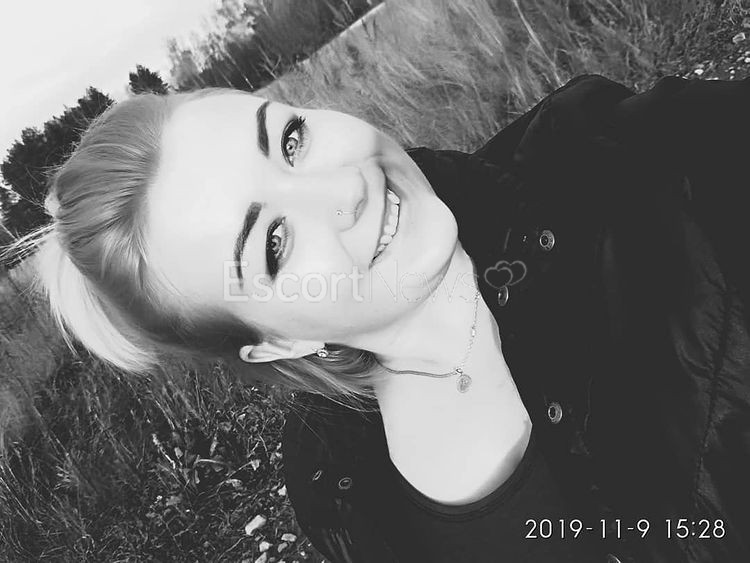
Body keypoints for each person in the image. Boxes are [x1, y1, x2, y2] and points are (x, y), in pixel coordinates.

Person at [5, 73, 749, 562]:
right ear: (276, 341)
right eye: (274, 242)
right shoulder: (341, 497)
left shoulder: (630, 152)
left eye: (290, 140)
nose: (343, 189)